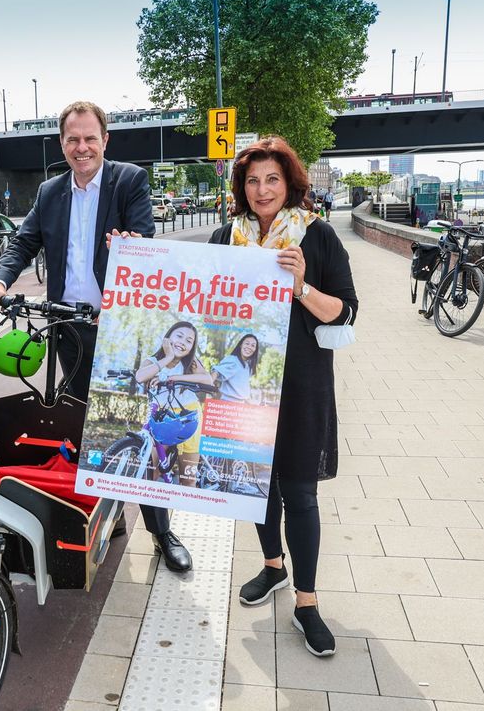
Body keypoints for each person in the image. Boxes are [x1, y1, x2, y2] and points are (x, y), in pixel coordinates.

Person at [0, 100, 193, 573]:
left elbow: (146, 243)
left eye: (90, 138)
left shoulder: (128, 180)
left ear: (105, 140)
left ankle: (160, 530)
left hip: (117, 331)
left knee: (134, 424)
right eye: (73, 139)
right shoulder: (50, 191)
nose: (81, 147)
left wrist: (128, 249)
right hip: (69, 331)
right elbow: (24, 241)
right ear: (62, 144)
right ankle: (100, 514)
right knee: (81, 429)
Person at [209, 136, 358, 657]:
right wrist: (132, 256)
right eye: (252, 180)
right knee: (253, 484)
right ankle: (273, 566)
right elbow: (192, 293)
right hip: (244, 389)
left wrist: (299, 287)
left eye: (272, 179)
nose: (262, 189)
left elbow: (345, 310)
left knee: (299, 493)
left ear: (289, 183)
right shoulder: (226, 237)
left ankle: (307, 603)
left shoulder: (315, 238)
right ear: (241, 188)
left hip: (300, 386)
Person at [133, 321, 213, 487]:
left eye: (189, 341)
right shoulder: (153, 360)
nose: (183, 342)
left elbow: (208, 379)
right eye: (179, 336)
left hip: (188, 417)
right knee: (150, 473)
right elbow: (140, 376)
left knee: (187, 478)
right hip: (162, 418)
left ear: (192, 347)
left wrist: (173, 378)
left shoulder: (190, 363)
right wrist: (168, 357)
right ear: (168, 337)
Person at [210, 334, 260, 403]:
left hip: (240, 406)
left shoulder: (247, 366)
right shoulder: (233, 360)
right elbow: (216, 372)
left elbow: (242, 392)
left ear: (255, 350)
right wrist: (208, 384)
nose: (249, 347)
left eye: (253, 345)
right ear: (241, 345)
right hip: (228, 404)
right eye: (247, 343)